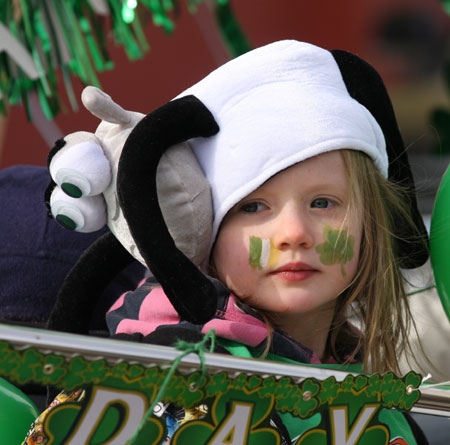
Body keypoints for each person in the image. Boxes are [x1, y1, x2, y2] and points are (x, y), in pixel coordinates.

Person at [23, 41, 430, 444]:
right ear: (205, 233)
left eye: (323, 203)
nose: (294, 234)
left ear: (371, 223)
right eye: (252, 207)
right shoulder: (150, 392)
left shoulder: (377, 406)